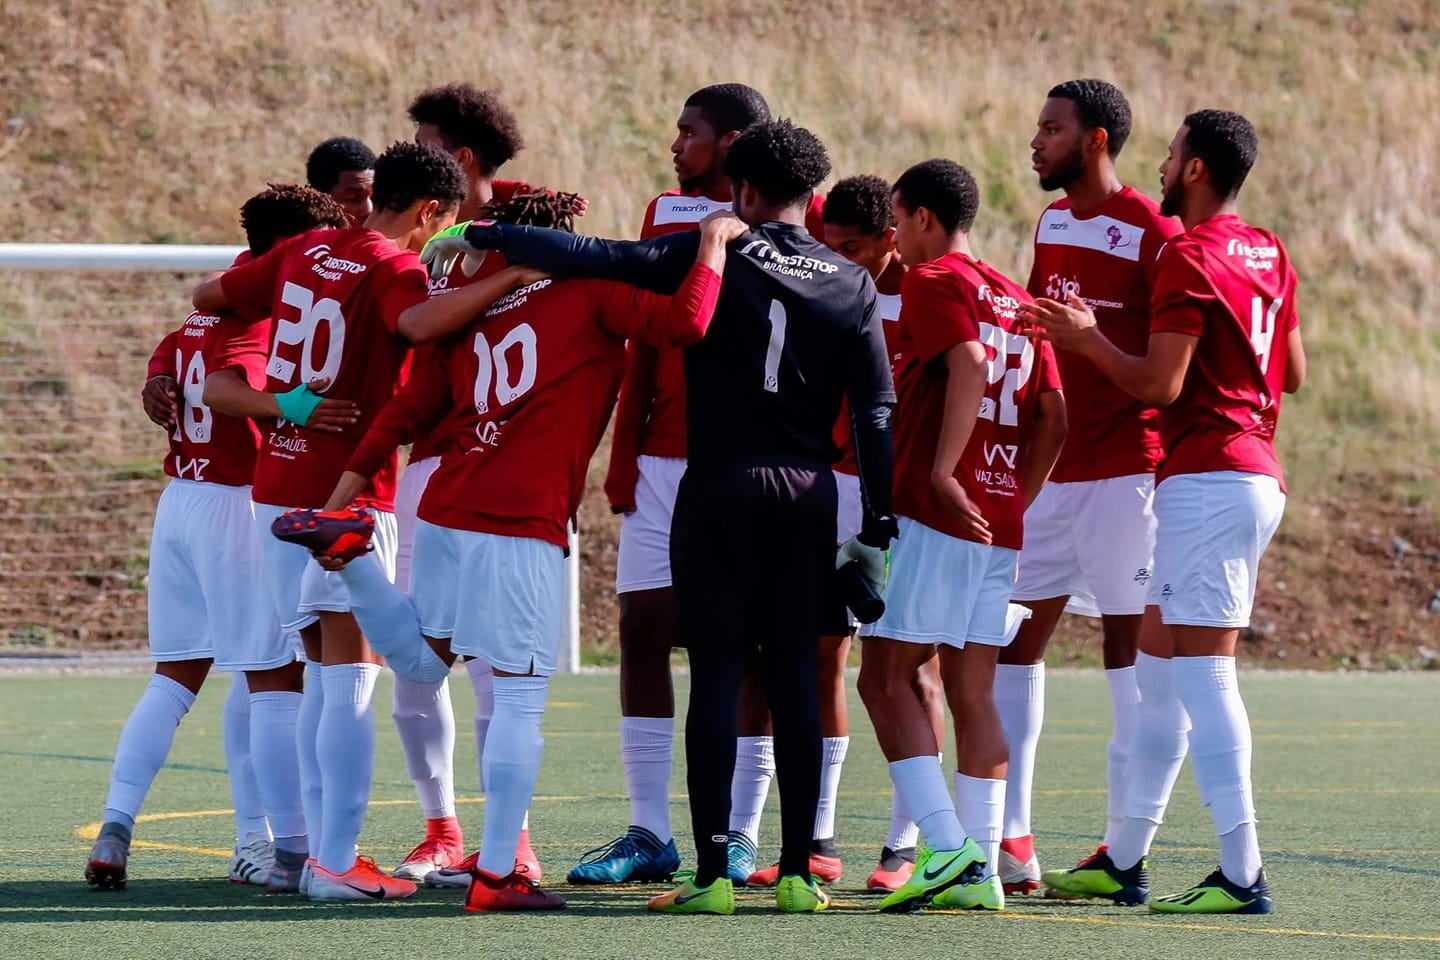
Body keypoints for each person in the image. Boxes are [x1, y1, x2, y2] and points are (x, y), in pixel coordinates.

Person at [438, 118, 897, 916]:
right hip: (807, 492)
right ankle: (793, 873)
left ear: (743, 191)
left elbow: (596, 255)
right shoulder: (851, 280)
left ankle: (713, 877)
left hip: (717, 483)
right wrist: (878, 525)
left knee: (717, 671)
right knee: (792, 672)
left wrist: (483, 231)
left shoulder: (710, 247)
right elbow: (877, 410)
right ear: (809, 196)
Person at [276, 189, 721, 913]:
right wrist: (713, 247)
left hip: (448, 499)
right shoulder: (590, 290)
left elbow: (408, 407)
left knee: (422, 661)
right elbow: (690, 320)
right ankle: (500, 875)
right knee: (520, 693)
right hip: (520, 519)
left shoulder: (474, 304)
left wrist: (342, 491)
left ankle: (356, 556)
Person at [1026, 109, 1303, 915]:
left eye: (1172, 152)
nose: (1160, 164)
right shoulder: (1270, 250)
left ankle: (1243, 872)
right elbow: (1292, 372)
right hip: (1246, 472)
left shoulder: (1189, 252)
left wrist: (1086, 340)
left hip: (1211, 478)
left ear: (1194, 169)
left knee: (1207, 677)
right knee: (1156, 673)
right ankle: (1125, 855)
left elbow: (1158, 385)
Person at [192, 141, 467, 902]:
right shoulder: (396, 267)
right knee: (350, 680)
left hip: (275, 481)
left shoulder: (306, 247)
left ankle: (315, 851)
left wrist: (289, 384)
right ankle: (335, 863)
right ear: (432, 212)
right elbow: (418, 325)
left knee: (320, 672)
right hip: (346, 488)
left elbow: (207, 292)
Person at [87, 185, 352, 892]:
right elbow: (222, 386)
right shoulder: (264, 308)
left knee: (177, 678)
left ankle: (116, 825)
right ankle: (267, 846)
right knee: (273, 677)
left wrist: (154, 379)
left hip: (180, 502)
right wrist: (298, 406)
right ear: (298, 246)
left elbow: (171, 355)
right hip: (237, 507)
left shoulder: (206, 303)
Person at [568, 83, 773, 888]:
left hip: (755, 462)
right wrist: (623, 460)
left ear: (729, 143)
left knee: (750, 647)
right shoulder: (665, 213)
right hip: (661, 461)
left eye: (687, 132)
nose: (673, 144)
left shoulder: (795, 215)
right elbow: (648, 343)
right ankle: (649, 831)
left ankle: (744, 833)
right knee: (645, 626)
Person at [857, 159, 1067, 914]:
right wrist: (1016, 498)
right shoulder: (1016, 296)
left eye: (899, 223)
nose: (898, 245)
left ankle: (947, 849)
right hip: (999, 520)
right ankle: (977, 868)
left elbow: (970, 363)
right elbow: (1053, 417)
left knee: (882, 677)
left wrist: (947, 472)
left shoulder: (934, 279)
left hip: (936, 510)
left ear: (921, 218)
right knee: (975, 690)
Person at [997, 78, 1182, 895]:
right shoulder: (1051, 219)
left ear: (1097, 140)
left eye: (1052, 129)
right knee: (1009, 640)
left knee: (1126, 653)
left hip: (1127, 473)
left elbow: (1167, 358)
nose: (1036, 142)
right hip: (1055, 470)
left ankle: (1121, 852)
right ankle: (1011, 839)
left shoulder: (1154, 227)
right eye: (1037, 127)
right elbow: (1047, 332)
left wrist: (1094, 338)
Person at [387, 81, 544, 886]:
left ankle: (507, 841)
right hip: (428, 471)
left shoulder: (535, 226)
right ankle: (441, 827)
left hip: (505, 478)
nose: (415, 156)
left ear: (465, 158)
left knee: (496, 670)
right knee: (416, 667)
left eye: (427, 143)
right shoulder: (419, 232)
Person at [816, 174, 947, 893]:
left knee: (909, 668)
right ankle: (820, 837)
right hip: (834, 488)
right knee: (823, 653)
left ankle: (906, 842)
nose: (841, 259)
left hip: (908, 504)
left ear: (893, 238)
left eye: (855, 248)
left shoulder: (932, 293)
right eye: (831, 247)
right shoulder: (831, 286)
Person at [306, 137, 377, 226]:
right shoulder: (295, 238)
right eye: (353, 198)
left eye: (375, 198)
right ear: (318, 198)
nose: (369, 210)